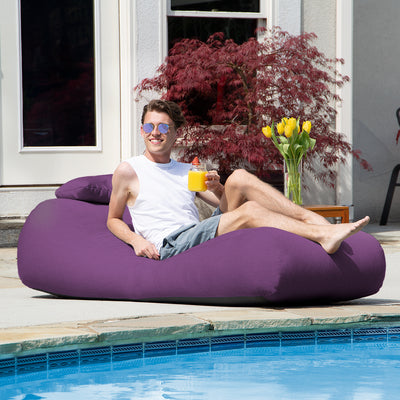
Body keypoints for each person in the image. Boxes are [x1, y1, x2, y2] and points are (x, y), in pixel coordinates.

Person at [107, 99, 370, 260]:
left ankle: (312, 219)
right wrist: (136, 240)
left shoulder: (188, 170)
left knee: (240, 177)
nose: (155, 133)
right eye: (149, 126)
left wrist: (217, 188)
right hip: (171, 242)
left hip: (196, 232)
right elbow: (113, 219)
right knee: (251, 210)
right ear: (142, 130)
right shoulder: (129, 170)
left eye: (163, 127)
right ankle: (321, 234)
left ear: (176, 133)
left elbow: (224, 204)